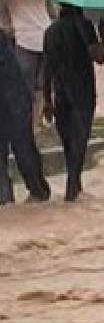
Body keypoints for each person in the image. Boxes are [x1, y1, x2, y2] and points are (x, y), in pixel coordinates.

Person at [42, 3, 104, 202]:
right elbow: (99, 57)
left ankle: (74, 186)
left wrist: (47, 100)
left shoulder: (50, 32)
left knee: (70, 143)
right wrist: (103, 34)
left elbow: (47, 69)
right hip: (83, 93)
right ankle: (72, 189)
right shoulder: (85, 26)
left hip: (60, 94)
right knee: (79, 142)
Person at [0, 30, 51, 204]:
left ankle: (35, 191)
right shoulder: (6, 44)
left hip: (14, 103)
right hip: (16, 102)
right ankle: (31, 193)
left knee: (23, 149)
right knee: (22, 148)